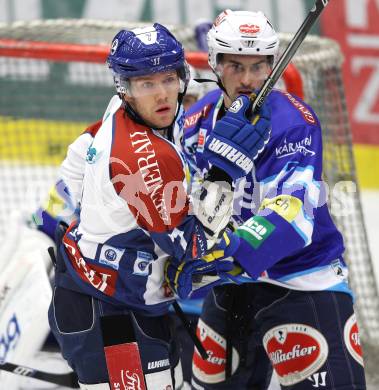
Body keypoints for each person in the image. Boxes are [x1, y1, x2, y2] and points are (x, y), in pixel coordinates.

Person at [47, 22, 271, 389]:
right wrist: (223, 172)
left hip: (110, 293)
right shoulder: (146, 158)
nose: (163, 94)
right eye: (146, 84)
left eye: (169, 79)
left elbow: (73, 167)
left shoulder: (123, 107)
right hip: (111, 313)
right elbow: (193, 246)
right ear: (126, 87)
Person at [176, 9, 367, 390]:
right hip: (229, 284)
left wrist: (230, 250)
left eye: (258, 66)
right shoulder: (196, 121)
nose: (247, 80)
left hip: (301, 281)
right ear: (215, 63)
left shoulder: (294, 122)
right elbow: (187, 203)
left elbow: (292, 214)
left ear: (271, 64)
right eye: (235, 66)